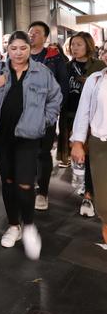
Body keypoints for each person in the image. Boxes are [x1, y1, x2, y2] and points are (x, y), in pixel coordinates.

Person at [0, 31, 61, 260]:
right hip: (2, 136)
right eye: (14, 48)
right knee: (9, 182)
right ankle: (13, 225)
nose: (18, 53)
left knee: (24, 184)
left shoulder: (42, 72)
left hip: (28, 136)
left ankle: (29, 226)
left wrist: (45, 120)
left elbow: (55, 98)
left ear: (30, 49)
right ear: (8, 49)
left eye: (23, 48)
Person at [58, 33, 105, 218]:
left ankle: (88, 195)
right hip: (70, 117)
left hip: (92, 121)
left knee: (91, 157)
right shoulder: (67, 66)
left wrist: (90, 84)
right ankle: (84, 187)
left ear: (88, 45)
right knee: (78, 157)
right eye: (72, 45)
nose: (74, 48)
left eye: (78, 44)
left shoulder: (98, 67)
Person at [28, 21, 68, 211]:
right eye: (30, 32)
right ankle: (29, 185)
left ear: (45, 37)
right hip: (23, 113)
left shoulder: (53, 58)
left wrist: (54, 109)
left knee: (42, 153)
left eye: (37, 32)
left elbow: (63, 86)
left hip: (45, 113)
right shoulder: (20, 55)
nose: (32, 35)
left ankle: (42, 193)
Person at [70, 64, 107, 246]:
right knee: (103, 204)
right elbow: (83, 112)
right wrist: (78, 142)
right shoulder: (95, 79)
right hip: (100, 144)